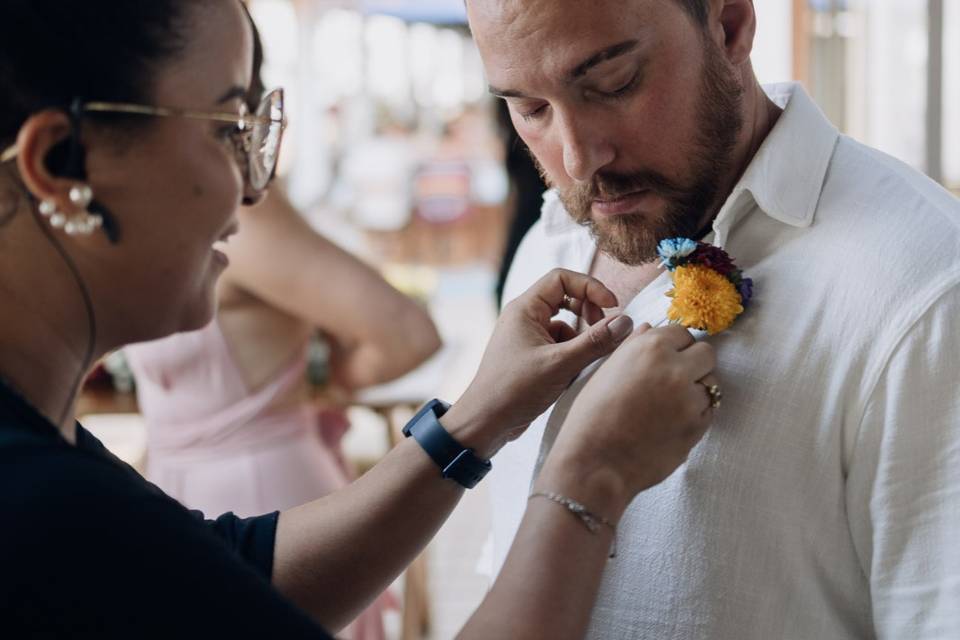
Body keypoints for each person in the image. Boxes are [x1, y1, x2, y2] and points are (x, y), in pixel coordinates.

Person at [0, 2, 719, 638]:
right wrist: (587, 480)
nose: (252, 193)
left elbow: (231, 582)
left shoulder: (45, 458)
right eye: (226, 129)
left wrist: (476, 419)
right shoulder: (36, 507)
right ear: (59, 164)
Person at [466, 0, 960, 637]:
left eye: (614, 84)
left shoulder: (925, 289)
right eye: (529, 109)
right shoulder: (549, 244)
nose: (578, 160)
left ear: (729, 25)